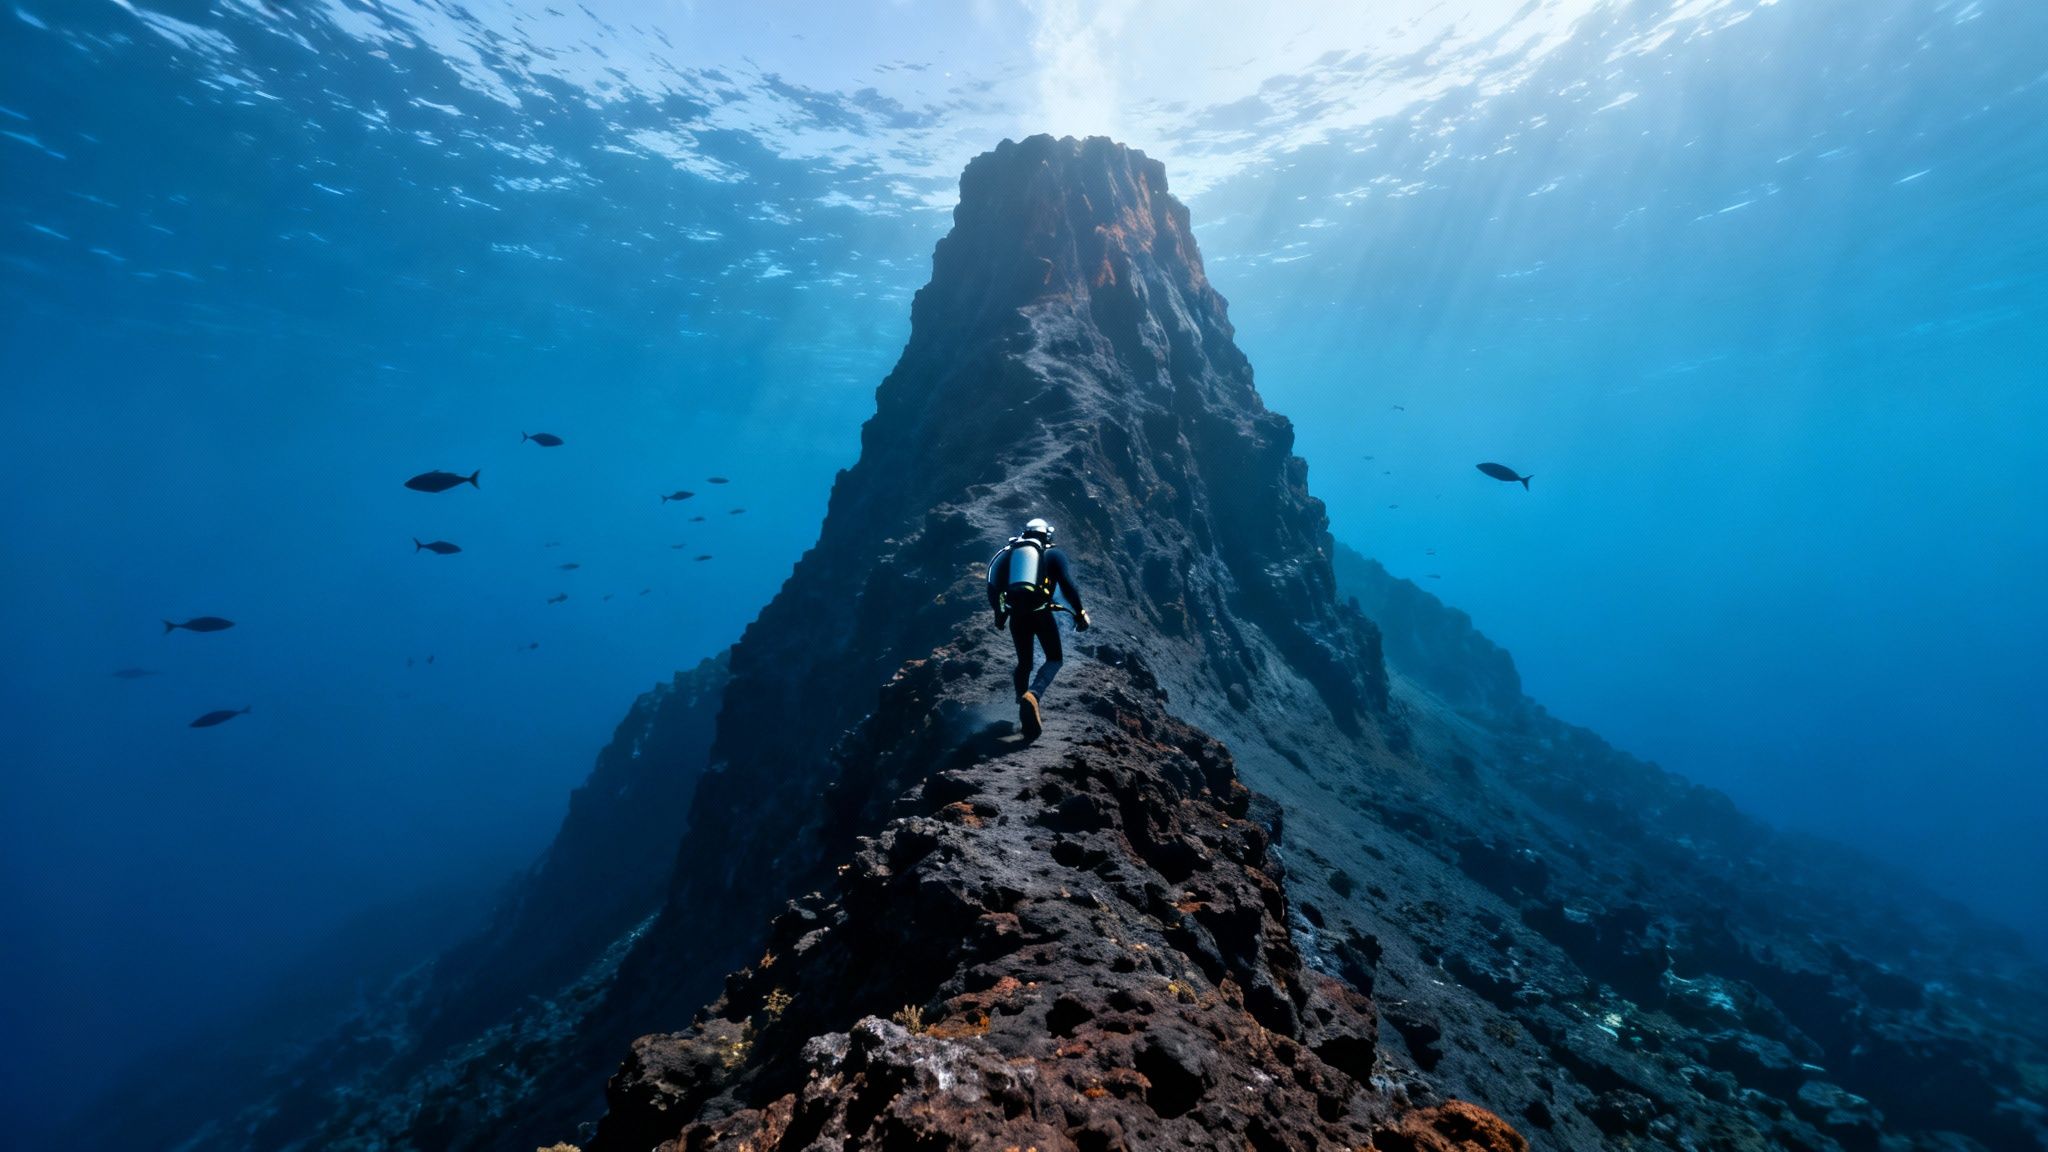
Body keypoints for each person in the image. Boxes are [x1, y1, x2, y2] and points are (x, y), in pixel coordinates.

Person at [986, 518, 1090, 738]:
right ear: (1047, 536)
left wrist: (1000, 616)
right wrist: (1080, 613)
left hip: (1017, 617)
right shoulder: (1053, 554)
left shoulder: (1007, 554)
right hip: (1041, 614)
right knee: (1054, 659)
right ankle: (1032, 696)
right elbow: (1068, 585)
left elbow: (992, 586)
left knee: (1024, 663)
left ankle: (1022, 702)